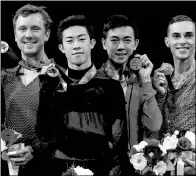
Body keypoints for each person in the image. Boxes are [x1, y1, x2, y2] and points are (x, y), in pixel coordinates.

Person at [36, 15, 131, 176]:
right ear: (61, 47)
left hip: (101, 169)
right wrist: (46, 91)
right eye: (69, 41)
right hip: (61, 169)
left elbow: (120, 140)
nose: (76, 46)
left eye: (81, 39)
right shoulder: (52, 86)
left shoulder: (111, 86)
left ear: (92, 43)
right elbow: (43, 134)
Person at [1, 4, 55, 176]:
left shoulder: (60, 77)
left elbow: (67, 128)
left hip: (50, 167)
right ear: (15, 36)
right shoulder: (4, 77)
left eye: (35, 29)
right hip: (10, 168)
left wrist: (36, 150)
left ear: (46, 34)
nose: (28, 35)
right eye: (22, 29)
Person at [99, 15, 163, 150]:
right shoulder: (94, 80)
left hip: (136, 164)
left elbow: (154, 125)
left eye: (127, 40)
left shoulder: (142, 81)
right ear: (104, 43)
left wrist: (146, 79)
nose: (121, 47)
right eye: (114, 40)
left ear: (136, 44)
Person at [153, 15, 195, 175]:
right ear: (167, 42)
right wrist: (160, 95)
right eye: (176, 36)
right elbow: (149, 131)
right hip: (161, 168)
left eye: (189, 35)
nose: (182, 41)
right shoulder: (157, 80)